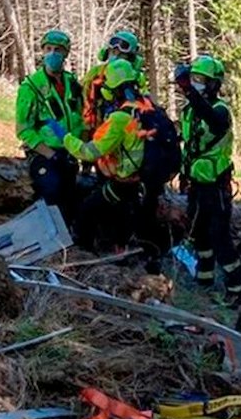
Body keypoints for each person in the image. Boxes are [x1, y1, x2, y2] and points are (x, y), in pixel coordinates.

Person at [71, 57, 176, 256]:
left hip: (126, 182)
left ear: (112, 89)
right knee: (135, 220)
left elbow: (90, 151)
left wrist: (66, 138)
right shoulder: (148, 107)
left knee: (88, 209)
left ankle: (84, 255)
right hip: (148, 181)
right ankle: (142, 255)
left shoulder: (120, 118)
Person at [176, 54, 241, 305]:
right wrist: (183, 174)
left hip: (216, 187)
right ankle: (204, 278)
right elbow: (190, 146)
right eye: (193, 79)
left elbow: (214, 124)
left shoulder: (219, 110)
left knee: (220, 236)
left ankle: (236, 288)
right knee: (198, 233)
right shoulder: (189, 112)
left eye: (201, 80)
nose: (196, 84)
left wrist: (190, 92)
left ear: (214, 84)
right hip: (197, 183)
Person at [15, 28, 88, 210]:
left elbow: (81, 119)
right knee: (51, 194)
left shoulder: (72, 83)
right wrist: (51, 154)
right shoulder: (31, 86)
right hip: (44, 154)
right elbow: (24, 129)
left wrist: (86, 154)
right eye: (48, 49)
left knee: (70, 201)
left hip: (70, 154)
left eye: (58, 49)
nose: (52, 54)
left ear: (65, 53)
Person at [79, 29, 142, 131]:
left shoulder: (136, 77)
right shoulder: (96, 72)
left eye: (121, 54)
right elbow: (84, 97)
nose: (116, 57)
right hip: (99, 126)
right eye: (113, 52)